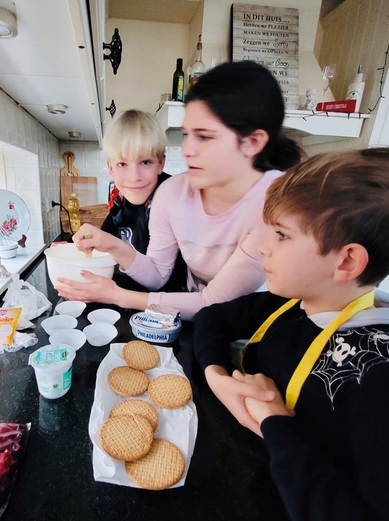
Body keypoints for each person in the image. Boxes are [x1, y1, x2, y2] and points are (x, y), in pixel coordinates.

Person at [192, 148, 389, 520]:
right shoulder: (293, 303)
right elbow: (212, 318)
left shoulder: (375, 374)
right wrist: (216, 376)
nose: (264, 245)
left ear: (346, 261)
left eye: (282, 235)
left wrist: (277, 425)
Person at [56, 61, 302, 320]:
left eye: (204, 136)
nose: (186, 149)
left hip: (255, 327)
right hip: (196, 325)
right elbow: (157, 275)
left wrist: (115, 295)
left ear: (252, 142)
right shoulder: (172, 193)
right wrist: (112, 244)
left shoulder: (277, 203)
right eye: (187, 134)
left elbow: (212, 303)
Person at [95, 109, 186, 292]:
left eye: (145, 162)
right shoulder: (120, 198)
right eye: (123, 164)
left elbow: (163, 279)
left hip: (167, 304)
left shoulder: (171, 197)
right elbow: (102, 241)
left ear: (161, 163)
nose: (134, 177)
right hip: (127, 295)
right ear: (111, 168)